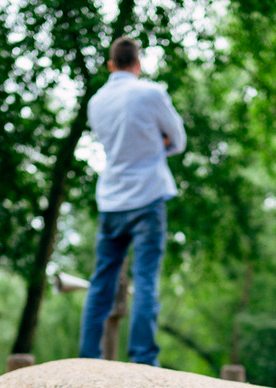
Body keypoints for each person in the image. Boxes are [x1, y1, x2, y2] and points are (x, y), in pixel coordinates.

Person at [78, 37, 186, 366]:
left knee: (101, 281)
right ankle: (142, 358)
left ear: (111, 65)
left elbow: (110, 142)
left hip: (111, 199)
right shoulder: (150, 93)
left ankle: (88, 357)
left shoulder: (96, 102)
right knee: (146, 277)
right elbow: (178, 140)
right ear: (138, 65)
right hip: (148, 197)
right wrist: (158, 142)